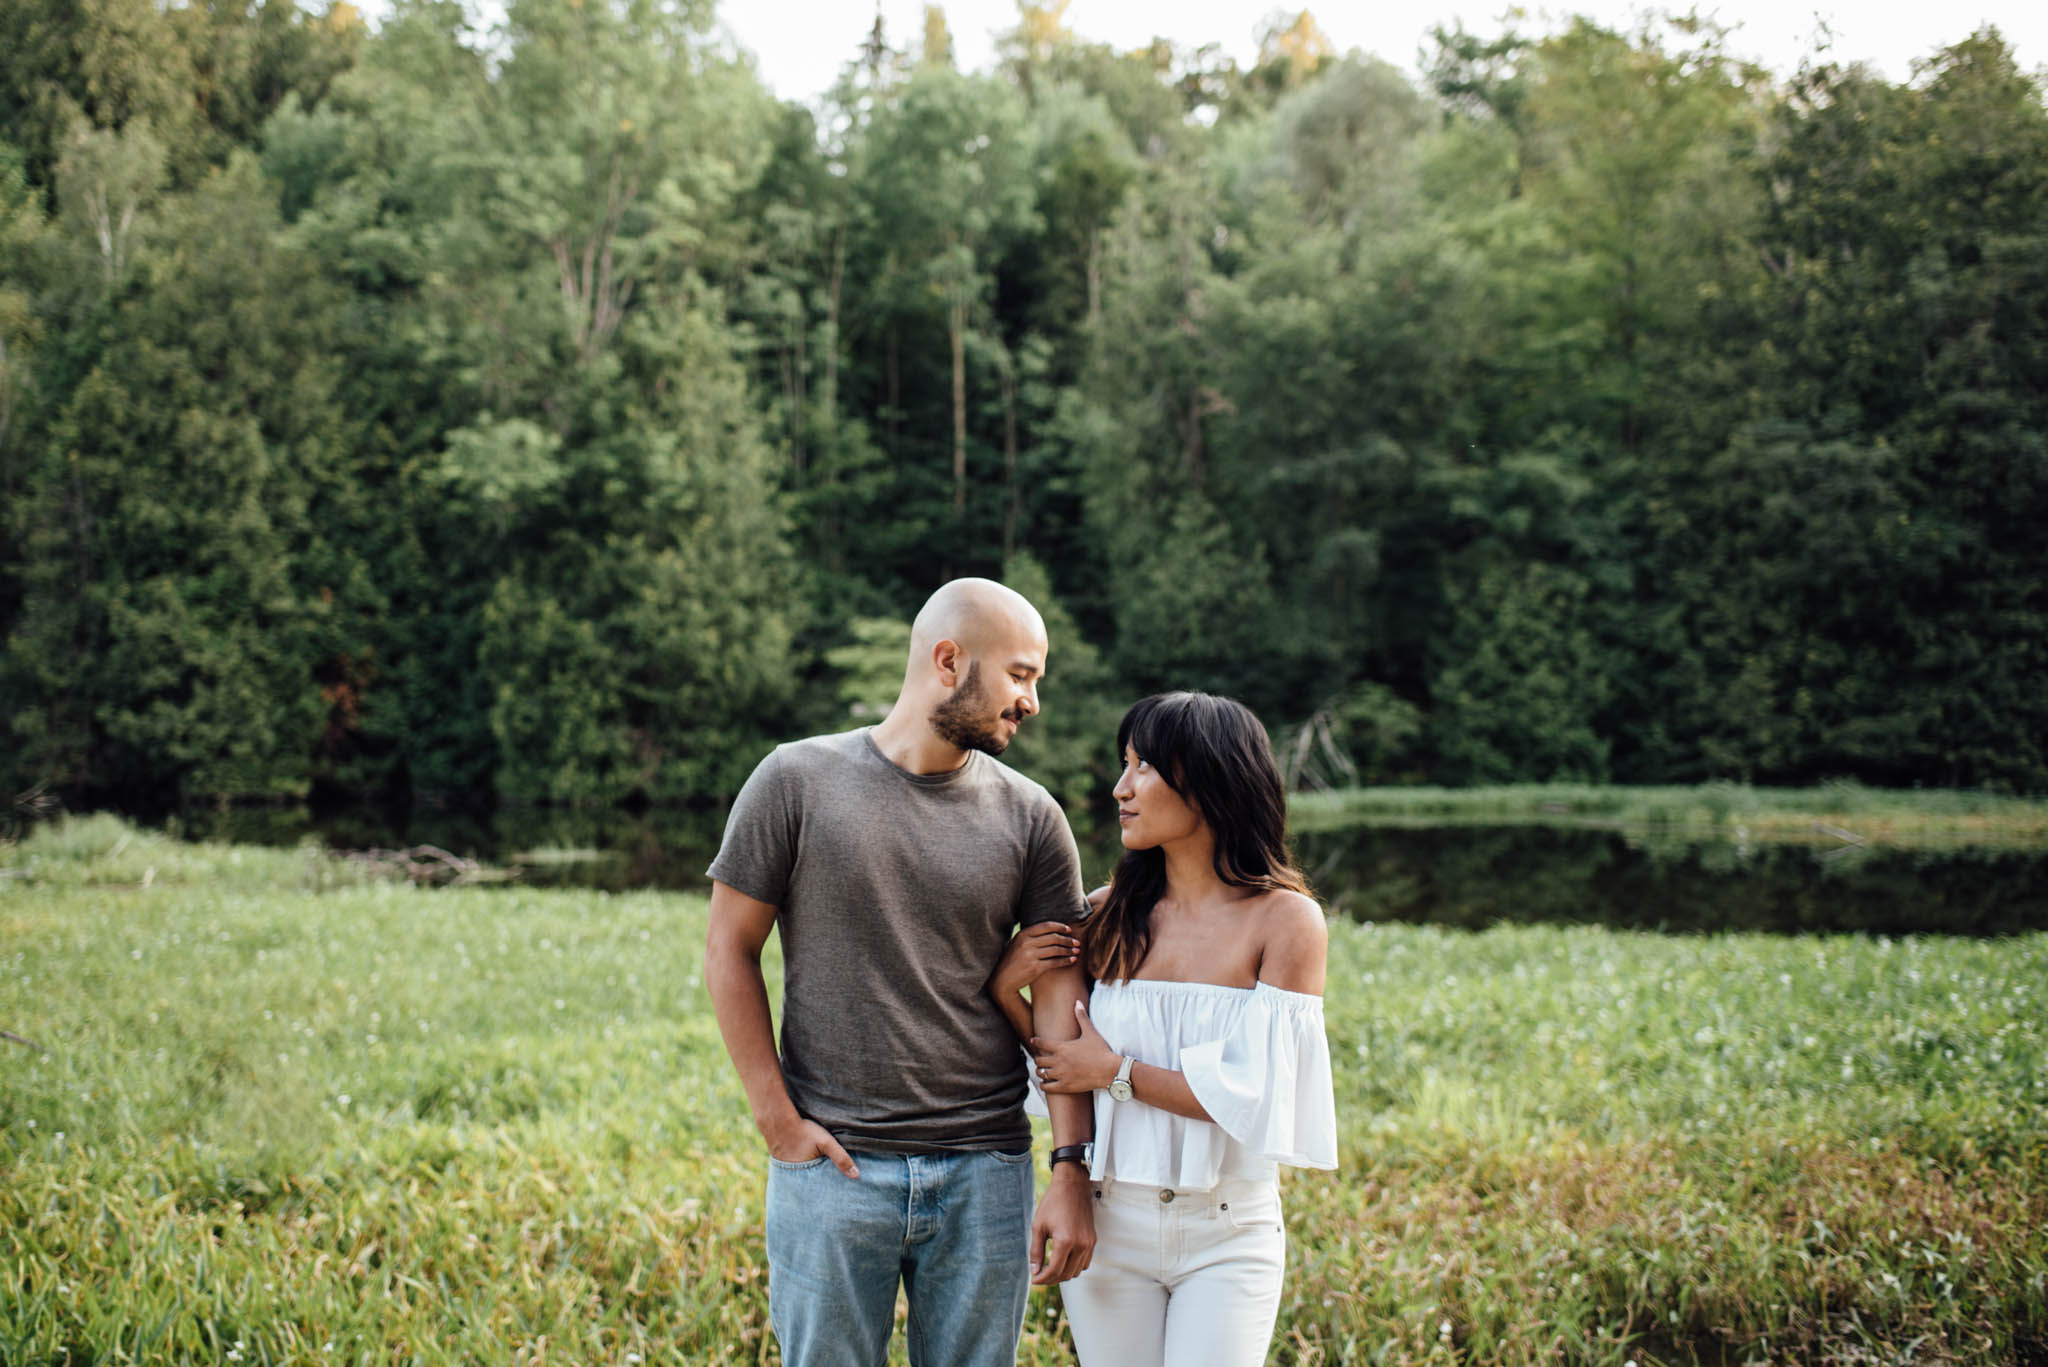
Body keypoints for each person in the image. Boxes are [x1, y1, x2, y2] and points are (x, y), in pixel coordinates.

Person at [704, 577, 1098, 1367]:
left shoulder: (1034, 818)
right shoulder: (793, 781)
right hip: (835, 1172)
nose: (1031, 702)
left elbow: (1061, 1005)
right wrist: (777, 1120)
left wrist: (1069, 1165)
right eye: (1020, 675)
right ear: (949, 660)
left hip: (986, 1173)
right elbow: (728, 950)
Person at [996, 691, 1338, 1366]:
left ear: (1209, 779)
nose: (1121, 788)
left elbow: (1256, 1099)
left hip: (1228, 1230)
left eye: (1142, 766)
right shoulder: (1099, 914)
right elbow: (1059, 1060)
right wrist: (1008, 987)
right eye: (1124, 765)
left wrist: (1117, 1074)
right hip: (1109, 1220)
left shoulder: (1286, 922)